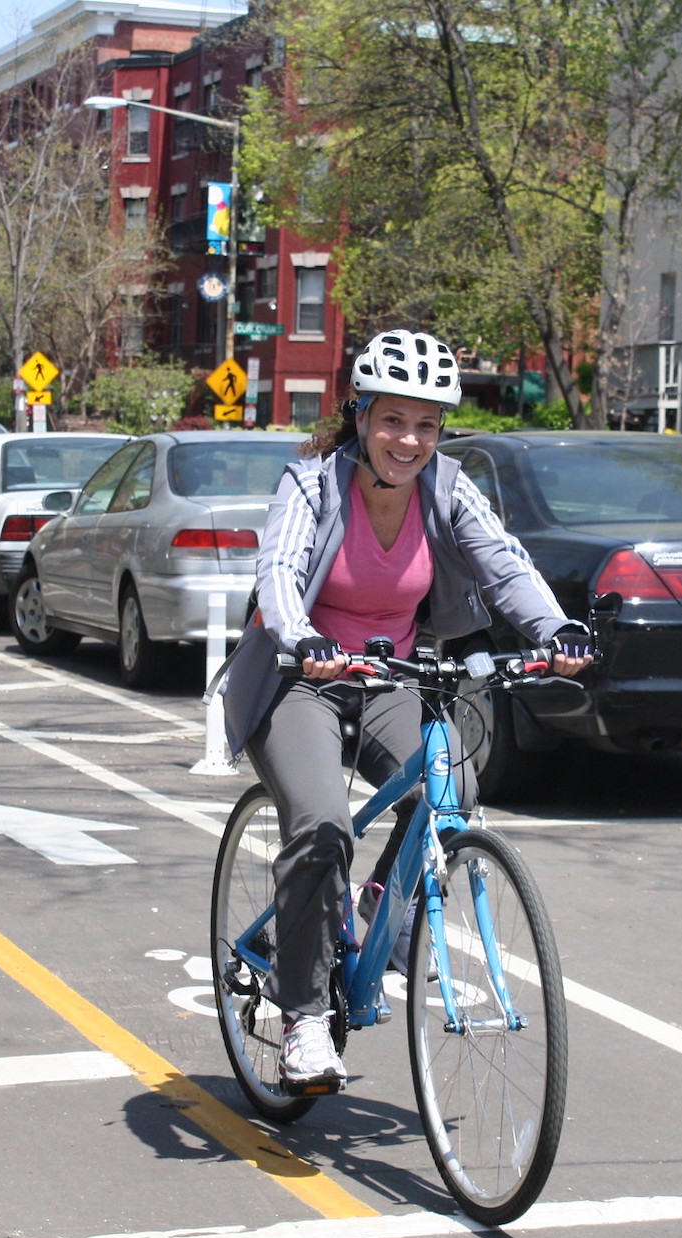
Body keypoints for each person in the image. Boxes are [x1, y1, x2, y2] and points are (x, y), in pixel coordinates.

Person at [217, 328, 594, 1090]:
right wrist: (303, 635)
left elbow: (505, 563)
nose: (410, 440)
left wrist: (555, 629)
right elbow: (280, 571)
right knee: (322, 823)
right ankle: (303, 1019)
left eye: (427, 424)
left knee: (450, 788)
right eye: (394, 419)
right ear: (361, 415)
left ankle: (374, 915)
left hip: (393, 676)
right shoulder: (314, 482)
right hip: (304, 678)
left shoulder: (447, 488)